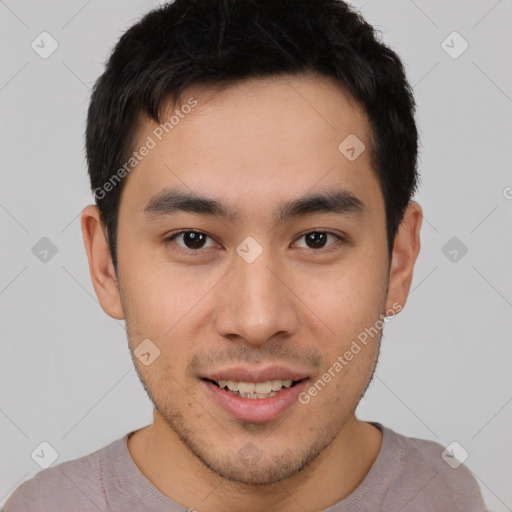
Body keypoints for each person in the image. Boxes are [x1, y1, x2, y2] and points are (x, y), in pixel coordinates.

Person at [3, 0, 487, 510]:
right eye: (193, 239)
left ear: (399, 260)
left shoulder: (450, 494)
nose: (257, 321)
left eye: (316, 239)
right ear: (106, 265)